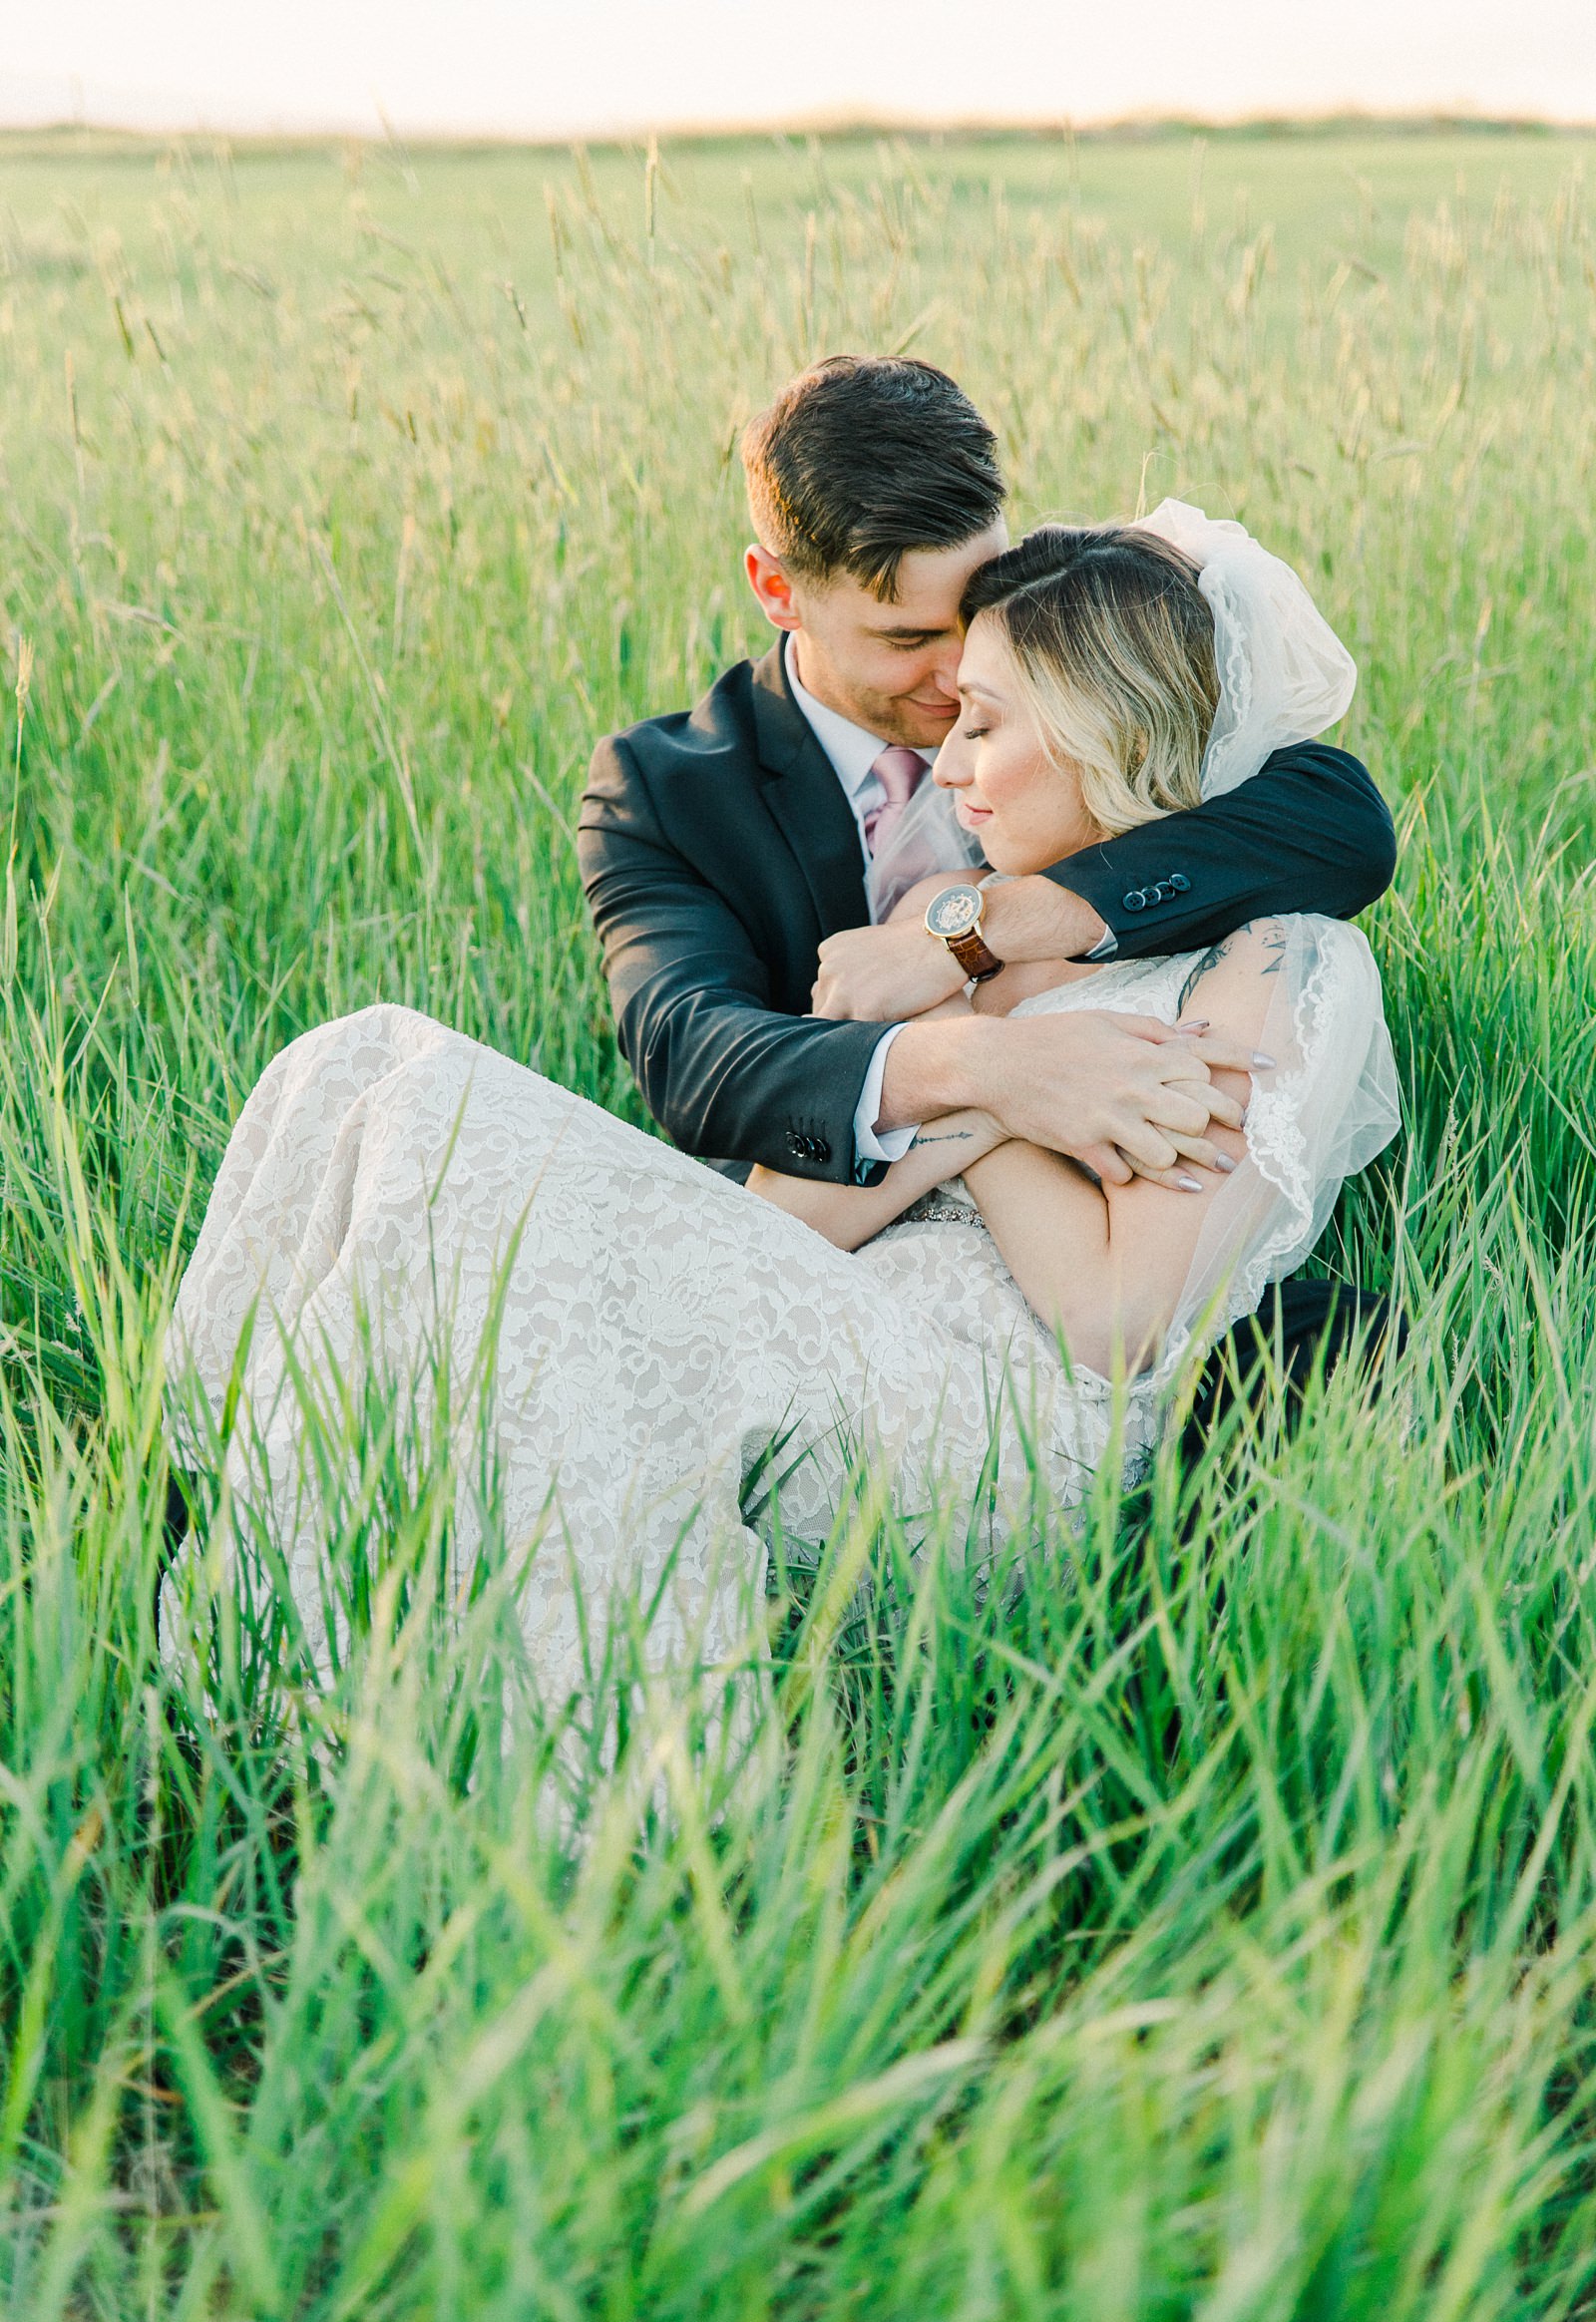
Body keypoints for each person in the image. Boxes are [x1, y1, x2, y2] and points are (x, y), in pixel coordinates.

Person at [166, 510, 1399, 1706]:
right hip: (832, 1321)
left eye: (982, 721)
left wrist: (980, 1119)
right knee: (362, 1071)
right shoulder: (950, 926)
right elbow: (782, 1219)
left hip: (1011, 1433)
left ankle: (473, 1691)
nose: (947, 759)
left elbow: (1118, 1324)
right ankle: (260, 1570)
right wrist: (985, 1066)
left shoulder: (1271, 964)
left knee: (440, 1120)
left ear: (1097, 729)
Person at [578, 352, 1397, 1391]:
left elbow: (1337, 819)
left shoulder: (1059, 645)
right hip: (825, 1257)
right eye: (910, 639)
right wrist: (987, 1068)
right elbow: (695, 1056)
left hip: (1070, 1311)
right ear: (777, 591)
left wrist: (979, 930)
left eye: (975, 621)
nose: (959, 672)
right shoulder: (664, 790)